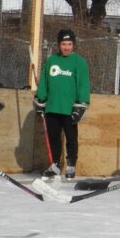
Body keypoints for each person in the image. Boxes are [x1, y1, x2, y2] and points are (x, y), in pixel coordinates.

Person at [33, 29, 90, 179]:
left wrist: (81, 105)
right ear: (59, 45)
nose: (66, 47)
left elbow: (83, 85)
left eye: (69, 44)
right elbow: (44, 82)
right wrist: (40, 99)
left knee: (71, 138)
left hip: (69, 108)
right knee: (53, 138)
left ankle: (71, 165)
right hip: (52, 107)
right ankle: (55, 165)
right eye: (64, 44)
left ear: (73, 45)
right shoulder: (52, 60)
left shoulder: (79, 62)